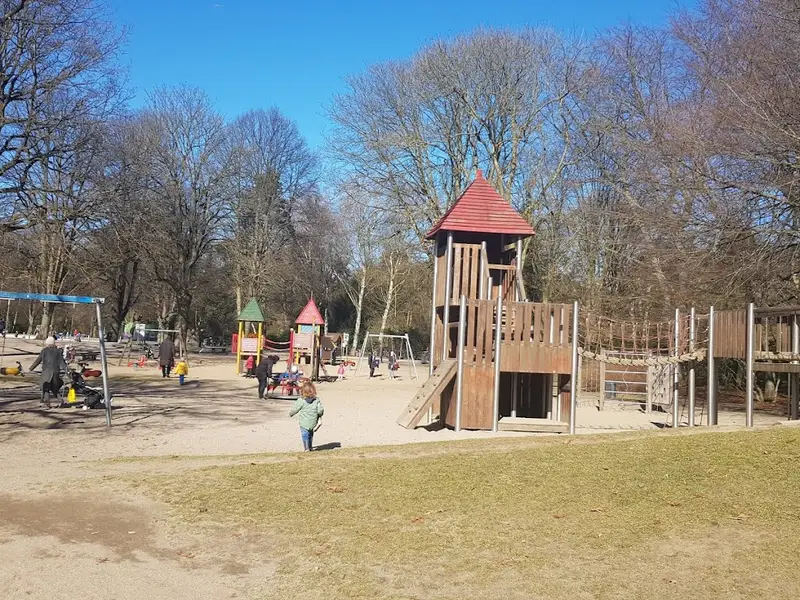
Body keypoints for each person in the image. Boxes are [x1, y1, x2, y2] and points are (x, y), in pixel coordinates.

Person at [29, 336, 67, 408]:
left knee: (45, 387)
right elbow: (63, 363)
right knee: (54, 388)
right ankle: (60, 401)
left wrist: (31, 368)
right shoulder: (58, 352)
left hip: (46, 372)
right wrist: (68, 371)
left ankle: (47, 403)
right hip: (55, 372)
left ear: (47, 343)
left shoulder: (44, 351)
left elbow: (38, 360)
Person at [289, 381, 324, 452]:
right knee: (310, 434)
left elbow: (295, 408)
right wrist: (320, 415)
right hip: (313, 422)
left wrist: (291, 413)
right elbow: (320, 410)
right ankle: (310, 446)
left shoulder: (301, 400)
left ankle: (306, 447)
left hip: (304, 422)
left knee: (305, 434)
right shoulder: (317, 400)